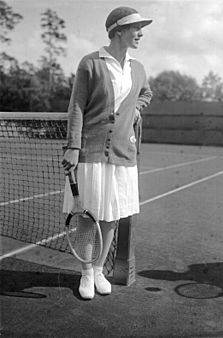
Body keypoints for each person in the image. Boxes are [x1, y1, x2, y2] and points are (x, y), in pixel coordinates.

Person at [62, 6, 153, 300]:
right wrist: (73, 147)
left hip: (122, 154)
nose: (140, 34)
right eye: (135, 28)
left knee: (111, 217)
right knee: (88, 217)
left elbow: (145, 93)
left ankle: (99, 269)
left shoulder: (138, 68)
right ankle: (86, 273)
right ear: (118, 30)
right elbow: (76, 107)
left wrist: (136, 110)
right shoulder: (90, 63)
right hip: (90, 151)